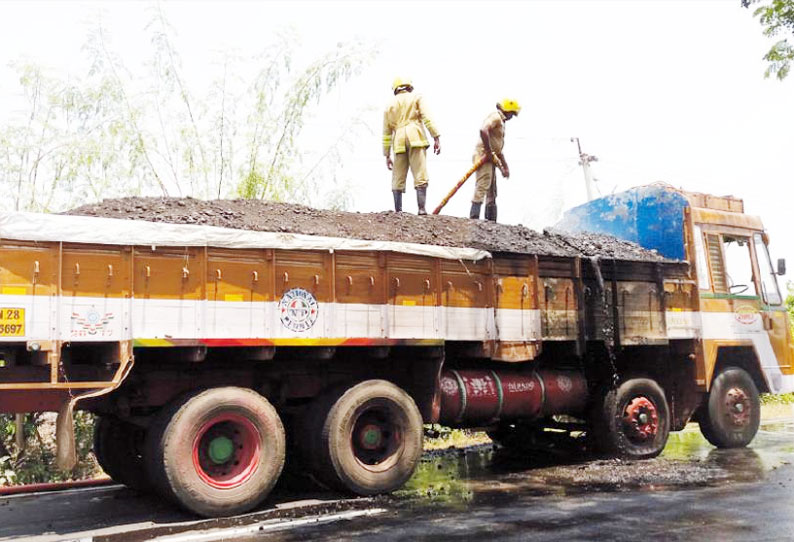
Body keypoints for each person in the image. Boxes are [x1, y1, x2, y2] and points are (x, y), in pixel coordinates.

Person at [382, 77, 441, 215]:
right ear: (409, 86)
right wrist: (436, 136)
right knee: (420, 172)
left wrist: (387, 155)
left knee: (398, 175)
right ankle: (421, 209)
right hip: (416, 137)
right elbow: (427, 117)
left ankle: (398, 210)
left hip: (398, 140)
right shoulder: (416, 97)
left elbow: (386, 133)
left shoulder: (389, 105)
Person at [470, 99, 520, 221]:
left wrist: (505, 167)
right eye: (512, 114)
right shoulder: (496, 117)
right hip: (483, 155)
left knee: (492, 188)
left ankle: (491, 220)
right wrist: (487, 151)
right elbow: (483, 130)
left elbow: (498, 149)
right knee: (483, 184)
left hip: (491, 157)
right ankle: (474, 218)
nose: (511, 117)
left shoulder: (501, 121)